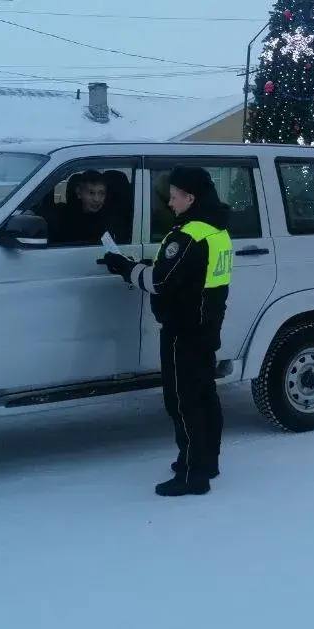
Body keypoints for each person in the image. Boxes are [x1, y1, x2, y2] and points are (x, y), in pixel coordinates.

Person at [102, 166, 232, 496]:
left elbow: (159, 282)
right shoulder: (216, 230)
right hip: (206, 326)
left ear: (190, 198)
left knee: (182, 401)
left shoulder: (187, 235)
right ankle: (207, 461)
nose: (171, 203)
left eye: (174, 197)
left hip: (183, 331)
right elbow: (187, 276)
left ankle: (192, 475)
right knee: (204, 395)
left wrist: (125, 268)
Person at [51, 169, 113, 244]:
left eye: (102, 193)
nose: (97, 199)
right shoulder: (63, 216)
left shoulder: (109, 222)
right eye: (91, 193)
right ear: (79, 193)